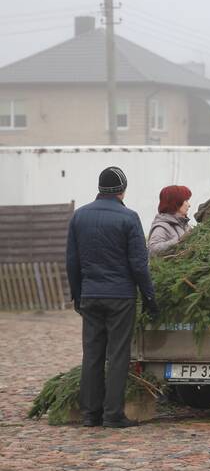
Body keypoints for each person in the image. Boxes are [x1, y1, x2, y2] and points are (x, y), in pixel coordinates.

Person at [65, 166, 157, 429]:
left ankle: (89, 415)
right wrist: (149, 297)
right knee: (117, 355)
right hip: (120, 297)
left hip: (90, 295)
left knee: (91, 355)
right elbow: (139, 265)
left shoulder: (79, 216)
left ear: (99, 188)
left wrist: (77, 295)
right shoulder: (129, 218)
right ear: (122, 190)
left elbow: (72, 261)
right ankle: (113, 414)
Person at [148, 185, 193, 257]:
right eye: (186, 201)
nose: (189, 205)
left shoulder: (185, 225)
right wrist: (178, 241)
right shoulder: (162, 227)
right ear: (176, 202)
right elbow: (153, 250)